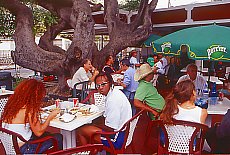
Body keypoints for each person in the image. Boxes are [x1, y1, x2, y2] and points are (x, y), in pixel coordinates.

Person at [1, 79, 63, 154]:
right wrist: (50, 116)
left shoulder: (12, 105)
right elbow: (38, 132)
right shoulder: (29, 109)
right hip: (25, 149)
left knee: (47, 134)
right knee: (58, 137)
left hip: (12, 146)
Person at [77, 72, 132, 148]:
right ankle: (94, 150)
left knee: (81, 130)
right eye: (98, 85)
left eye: (103, 84)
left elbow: (110, 128)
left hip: (117, 138)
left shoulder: (113, 100)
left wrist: (94, 125)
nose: (100, 88)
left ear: (110, 83)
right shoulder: (115, 92)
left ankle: (87, 151)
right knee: (92, 125)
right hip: (123, 131)